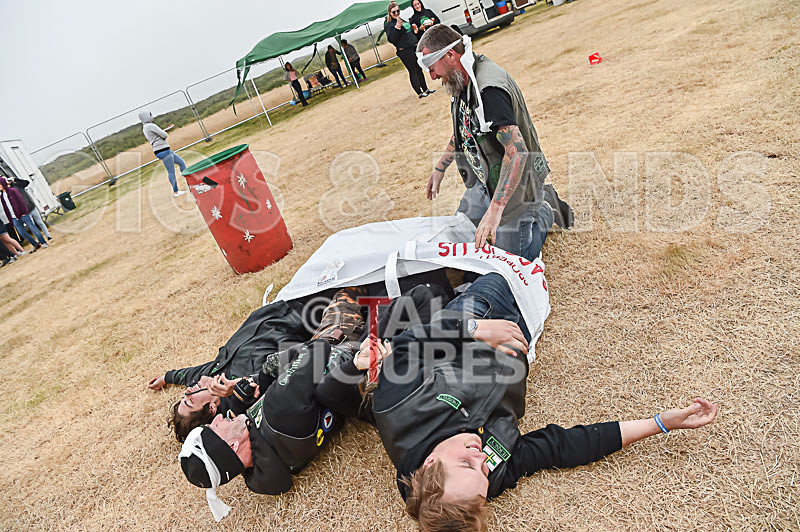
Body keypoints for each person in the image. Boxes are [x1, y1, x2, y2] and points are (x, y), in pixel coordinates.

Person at [345, 272, 718, 531]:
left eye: (466, 462)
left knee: (504, 270)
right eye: (483, 474)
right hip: (518, 340)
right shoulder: (485, 478)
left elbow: (410, 343)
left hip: (473, 323)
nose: (481, 458)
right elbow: (562, 447)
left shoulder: (397, 406)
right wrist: (662, 423)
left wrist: (477, 330)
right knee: (527, 258)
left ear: (430, 463)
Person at [417, 25, 573, 261]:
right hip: (486, 179)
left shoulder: (488, 89)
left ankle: (544, 211)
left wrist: (495, 209)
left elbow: (517, 151)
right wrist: (440, 167)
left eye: (432, 68)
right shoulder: (462, 76)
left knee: (509, 259)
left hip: (519, 185)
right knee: (463, 235)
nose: (433, 77)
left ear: (450, 55)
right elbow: (464, 127)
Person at [178, 337, 347, 522]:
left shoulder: (267, 470)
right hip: (345, 354)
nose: (218, 416)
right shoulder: (279, 407)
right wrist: (265, 372)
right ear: (233, 445)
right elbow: (318, 348)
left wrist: (244, 403)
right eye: (214, 426)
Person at [385, 2, 435, 99]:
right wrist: (397, 28)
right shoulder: (390, 25)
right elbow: (392, 39)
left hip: (413, 47)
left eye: (397, 11)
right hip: (404, 51)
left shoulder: (402, 20)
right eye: (393, 12)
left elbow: (409, 32)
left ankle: (425, 89)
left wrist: (415, 31)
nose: (396, 13)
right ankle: (419, 92)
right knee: (413, 71)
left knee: (419, 69)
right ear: (390, 13)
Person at [138, 111, 187, 197]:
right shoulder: (151, 125)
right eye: (150, 115)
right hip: (163, 150)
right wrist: (164, 132)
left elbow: (156, 135)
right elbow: (164, 135)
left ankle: (189, 182)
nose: (152, 116)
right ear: (146, 117)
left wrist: (164, 131)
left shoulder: (145, 127)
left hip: (161, 150)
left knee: (181, 162)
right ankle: (176, 192)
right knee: (171, 171)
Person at [0, 177, 47, 251]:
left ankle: (43, 242)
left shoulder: (12, 191)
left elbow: (21, 202)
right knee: (21, 233)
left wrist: (24, 212)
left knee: (33, 228)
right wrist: (11, 220)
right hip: (14, 218)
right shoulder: (2, 196)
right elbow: (6, 209)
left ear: (2, 184)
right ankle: (35, 244)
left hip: (23, 214)